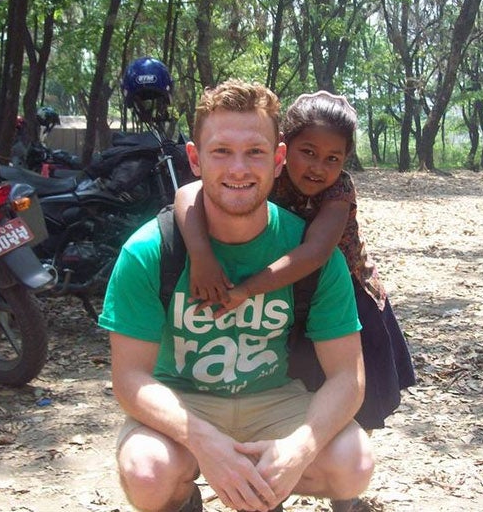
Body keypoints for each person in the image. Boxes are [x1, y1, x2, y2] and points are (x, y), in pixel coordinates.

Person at [99, 80, 373, 512]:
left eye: (256, 152)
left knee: (354, 465)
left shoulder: (316, 253)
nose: (239, 169)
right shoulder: (148, 251)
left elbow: (347, 377)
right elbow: (129, 379)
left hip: (275, 396)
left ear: (278, 159)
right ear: (195, 158)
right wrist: (201, 440)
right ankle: (182, 498)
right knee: (147, 472)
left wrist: (299, 447)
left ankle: (264, 489)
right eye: (221, 151)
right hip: (183, 398)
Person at [175, 90, 416, 432]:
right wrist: (201, 256)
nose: (319, 167)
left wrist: (246, 289)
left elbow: (315, 253)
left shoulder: (339, 192)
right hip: (286, 294)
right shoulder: (265, 175)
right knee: (295, 389)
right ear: (282, 150)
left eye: (333, 159)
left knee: (355, 393)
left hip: (342, 295)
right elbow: (188, 193)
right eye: (308, 153)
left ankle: (346, 456)